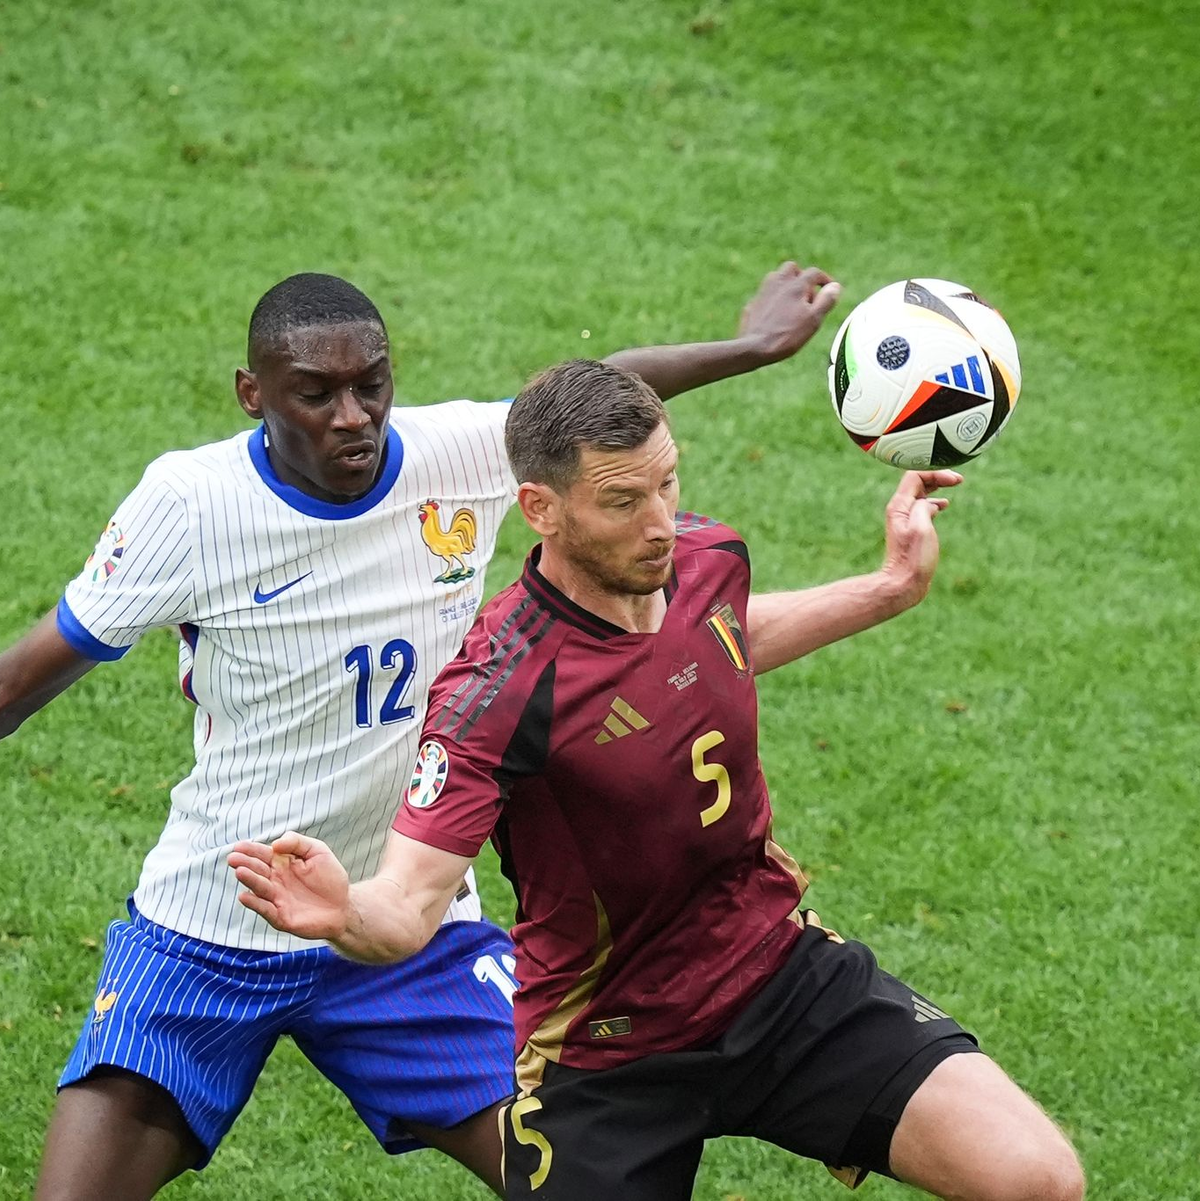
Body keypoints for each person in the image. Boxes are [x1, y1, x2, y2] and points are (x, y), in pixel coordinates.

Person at [0, 265, 841, 1200]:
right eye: (315, 394)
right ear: (254, 395)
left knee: (580, 1182)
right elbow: (25, 675)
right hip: (212, 923)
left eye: (373, 384)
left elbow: (587, 394)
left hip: (411, 923)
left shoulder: (456, 456)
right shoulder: (190, 507)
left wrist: (754, 347)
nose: (353, 415)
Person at [231, 359, 1086, 1201]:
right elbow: (409, 905)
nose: (660, 523)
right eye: (622, 501)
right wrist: (344, 912)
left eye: (667, 483)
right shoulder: (496, 693)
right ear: (542, 509)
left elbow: (722, 638)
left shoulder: (707, 557)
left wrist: (891, 587)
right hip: (607, 1052)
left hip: (777, 974)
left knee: (1038, 1178)